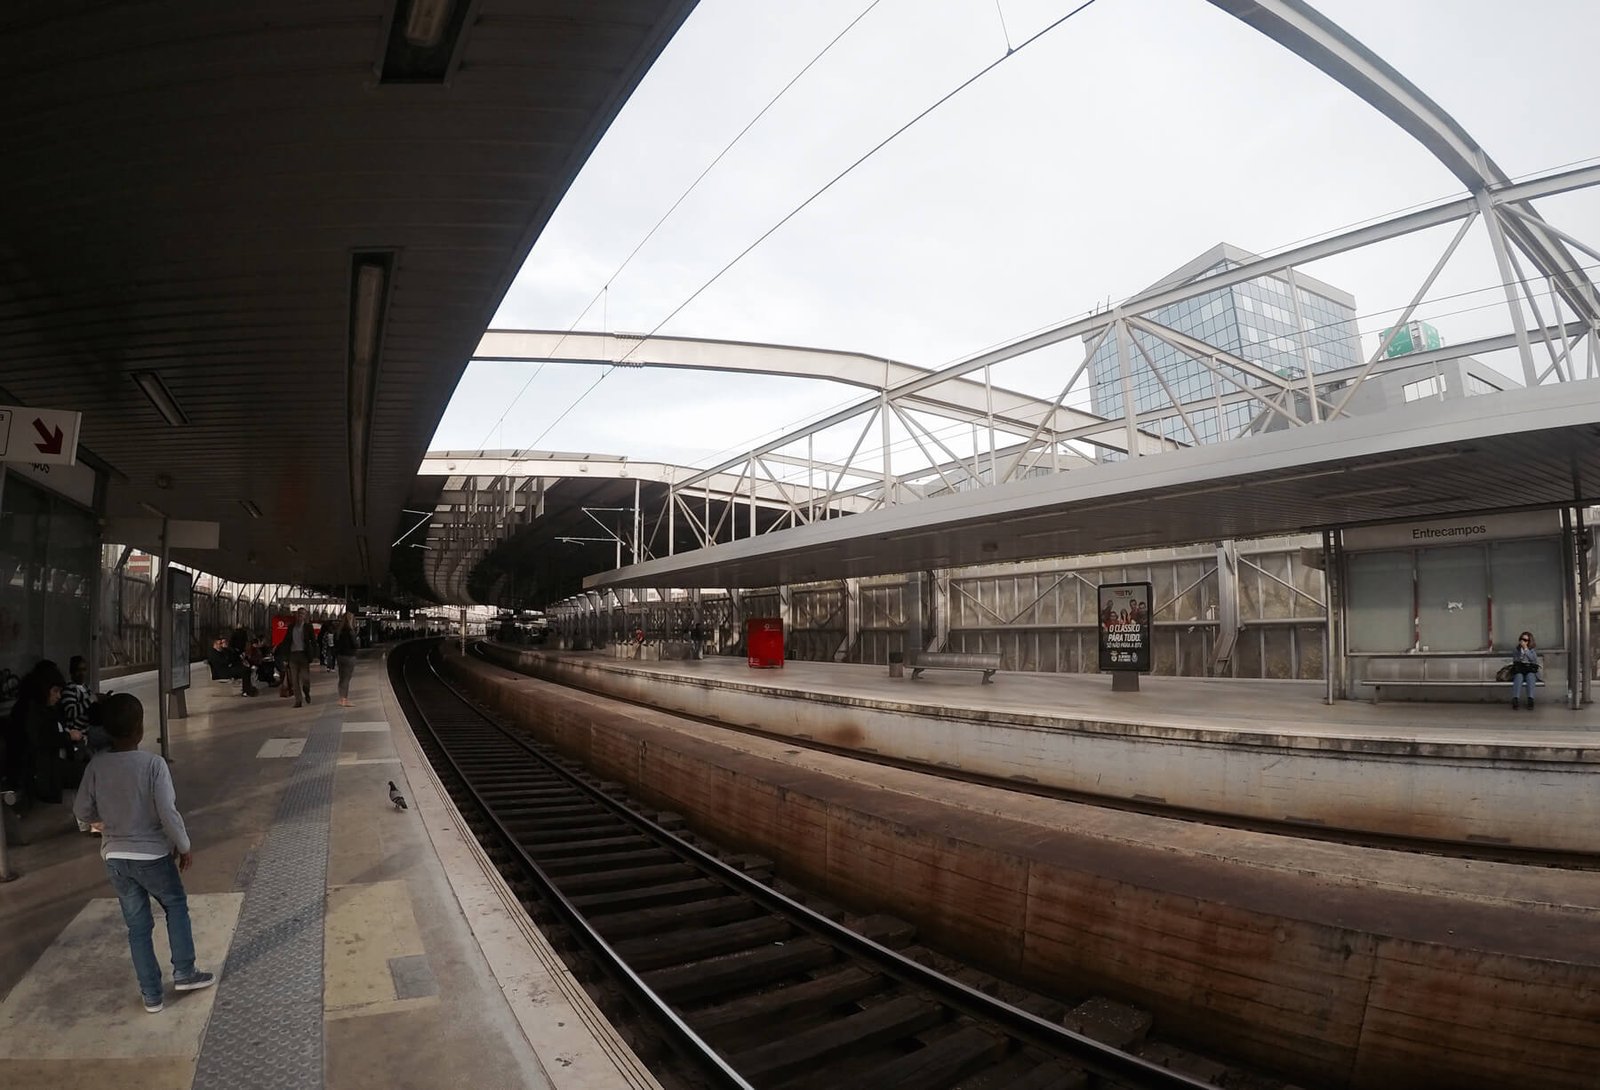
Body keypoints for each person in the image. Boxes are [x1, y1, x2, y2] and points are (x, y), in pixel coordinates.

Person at [72, 693, 215, 1013]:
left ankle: (151, 995)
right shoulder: (153, 764)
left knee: (137, 926)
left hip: (115, 858)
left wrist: (101, 825)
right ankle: (184, 971)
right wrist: (184, 845)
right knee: (175, 905)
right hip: (152, 856)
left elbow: (81, 810)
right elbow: (168, 812)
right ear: (140, 728)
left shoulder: (96, 766)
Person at [277, 608, 315, 707]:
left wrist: (313, 654)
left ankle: (306, 691)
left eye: (302, 614)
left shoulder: (308, 627)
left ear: (305, 616)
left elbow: (313, 641)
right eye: (298, 614)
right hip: (293, 655)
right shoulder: (291, 627)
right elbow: (286, 641)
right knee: (294, 680)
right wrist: (284, 657)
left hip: (304, 656)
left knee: (305, 679)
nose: (300, 616)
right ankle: (298, 700)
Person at [1510, 630, 1541, 710]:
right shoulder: (1517, 650)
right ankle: (1515, 699)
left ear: (1529, 641)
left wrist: (1526, 650)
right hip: (1520, 670)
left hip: (1530, 670)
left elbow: (1533, 660)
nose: (1522, 641)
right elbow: (1515, 660)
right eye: (1521, 639)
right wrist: (1521, 655)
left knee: (1530, 676)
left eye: (1525, 640)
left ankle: (1530, 699)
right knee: (1518, 676)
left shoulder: (1532, 650)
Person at [334, 613, 358, 707]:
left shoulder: (338, 632)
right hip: (349, 657)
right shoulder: (351, 632)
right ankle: (344, 700)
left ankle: (341, 698)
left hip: (340, 657)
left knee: (341, 678)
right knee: (346, 679)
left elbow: (335, 644)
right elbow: (355, 645)